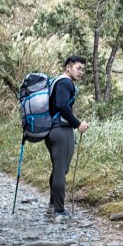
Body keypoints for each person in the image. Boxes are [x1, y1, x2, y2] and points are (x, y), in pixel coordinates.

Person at [45, 54, 89, 222]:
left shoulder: (56, 81)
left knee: (58, 168)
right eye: (78, 68)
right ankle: (59, 211)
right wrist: (78, 123)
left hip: (51, 131)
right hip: (62, 131)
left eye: (83, 70)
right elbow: (63, 105)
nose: (81, 72)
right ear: (68, 67)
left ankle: (51, 206)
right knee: (60, 171)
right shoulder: (65, 82)